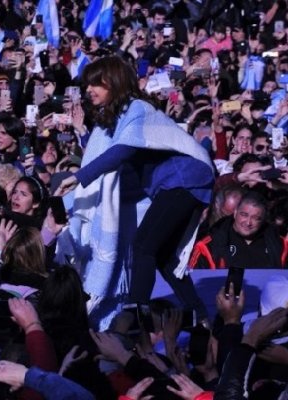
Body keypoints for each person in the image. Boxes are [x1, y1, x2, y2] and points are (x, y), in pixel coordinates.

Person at [57, 56, 215, 322]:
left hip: (184, 179)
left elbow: (121, 150)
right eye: (87, 85)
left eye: (96, 83)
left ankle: (135, 315)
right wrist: (82, 135)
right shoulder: (119, 116)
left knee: (142, 247)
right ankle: (200, 314)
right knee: (163, 256)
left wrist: (79, 177)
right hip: (179, 184)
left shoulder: (137, 108)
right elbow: (105, 148)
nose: (89, 90)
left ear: (115, 82)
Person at [190, 191, 288, 269]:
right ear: (235, 212)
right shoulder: (208, 246)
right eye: (244, 215)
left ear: (263, 219)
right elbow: (196, 281)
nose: (248, 222)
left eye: (256, 218)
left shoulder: (280, 245)